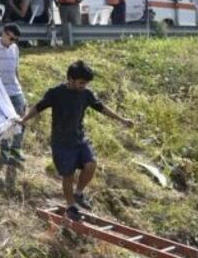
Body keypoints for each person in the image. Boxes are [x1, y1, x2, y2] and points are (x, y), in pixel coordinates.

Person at [19, 60, 134, 222]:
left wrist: (121, 119)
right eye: (81, 82)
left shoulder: (86, 94)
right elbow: (38, 107)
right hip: (61, 142)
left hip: (79, 139)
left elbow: (101, 108)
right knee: (68, 175)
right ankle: (71, 206)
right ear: (70, 79)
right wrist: (24, 119)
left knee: (91, 164)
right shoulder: (56, 92)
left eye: (86, 83)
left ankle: (79, 193)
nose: (83, 86)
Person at [0, 24, 26, 166]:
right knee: (4, 122)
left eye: (15, 39)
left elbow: (16, 70)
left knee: (21, 119)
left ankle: (16, 149)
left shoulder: (14, 48)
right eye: (11, 38)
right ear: (3, 33)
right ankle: (4, 150)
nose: (12, 42)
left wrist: (20, 89)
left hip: (15, 89)